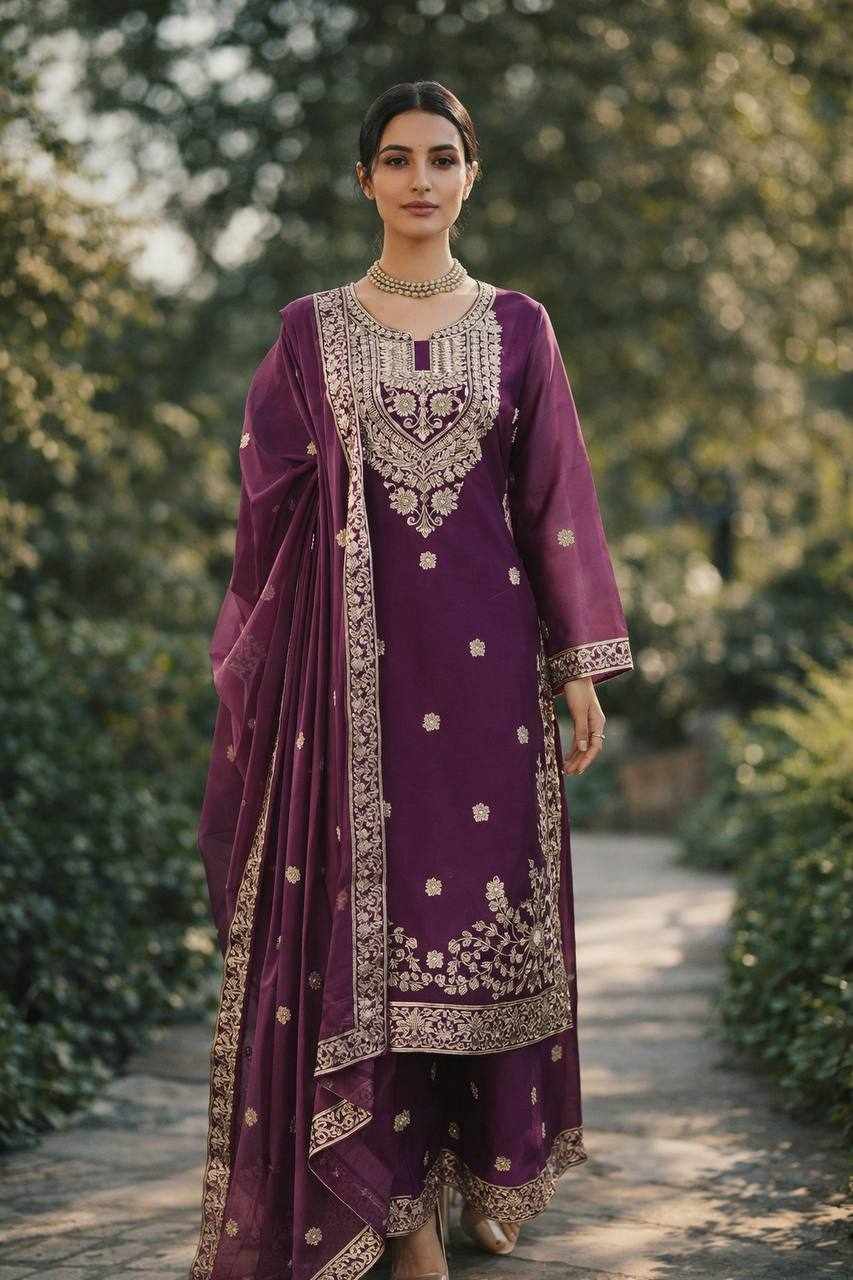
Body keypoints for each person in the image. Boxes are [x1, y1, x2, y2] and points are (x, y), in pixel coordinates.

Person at [188, 80, 634, 1280]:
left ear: (470, 174)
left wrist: (580, 666)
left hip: (488, 683)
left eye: (442, 157)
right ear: (365, 180)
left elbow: (555, 500)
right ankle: (403, 1213)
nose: (420, 179)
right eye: (396, 159)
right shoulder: (308, 331)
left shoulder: (522, 327)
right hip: (350, 689)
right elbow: (267, 503)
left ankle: (487, 1167)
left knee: (482, 939)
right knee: (375, 938)